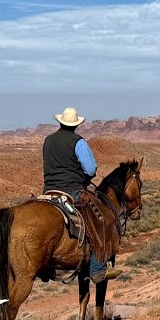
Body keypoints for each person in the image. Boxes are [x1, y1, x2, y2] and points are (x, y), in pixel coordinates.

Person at [43, 107, 119, 282]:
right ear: (76, 125)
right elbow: (90, 169)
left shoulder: (48, 140)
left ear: (61, 122)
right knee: (101, 219)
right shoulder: (79, 142)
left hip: (49, 191)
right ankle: (98, 269)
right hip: (72, 191)